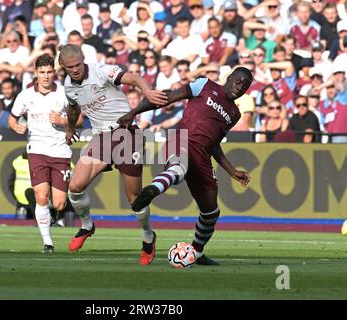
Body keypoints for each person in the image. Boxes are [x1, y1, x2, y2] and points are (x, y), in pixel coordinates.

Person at [117, 67, 253, 265]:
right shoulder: (204, 85)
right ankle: (153, 190)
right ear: (229, 78)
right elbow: (167, 98)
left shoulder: (234, 114)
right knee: (178, 169)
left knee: (211, 212)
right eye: (238, 81)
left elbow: (214, 142)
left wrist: (232, 171)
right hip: (181, 139)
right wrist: (134, 112)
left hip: (203, 155)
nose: (240, 87)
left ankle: (196, 253)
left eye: (245, 86)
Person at [58, 44, 167, 265]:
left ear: (83, 59)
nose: (75, 70)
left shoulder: (100, 71)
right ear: (63, 66)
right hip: (100, 138)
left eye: (78, 64)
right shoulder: (69, 85)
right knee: (75, 186)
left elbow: (134, 78)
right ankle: (87, 226)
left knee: (134, 199)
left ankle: (148, 235)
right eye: (70, 67)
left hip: (127, 133)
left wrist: (146, 91)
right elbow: (73, 109)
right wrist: (70, 128)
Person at [8, 54, 75, 254]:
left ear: (54, 72)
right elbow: (12, 119)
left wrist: (63, 121)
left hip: (61, 151)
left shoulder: (64, 93)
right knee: (41, 195)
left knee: (61, 202)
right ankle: (48, 243)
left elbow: (79, 120)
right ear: (36, 73)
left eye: (49, 72)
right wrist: (16, 127)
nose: (46, 76)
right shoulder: (25, 95)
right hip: (36, 151)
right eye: (42, 72)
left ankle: (51, 216)